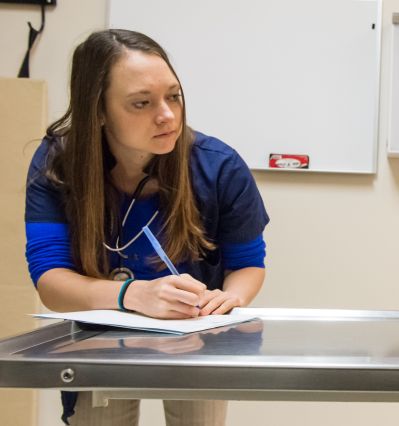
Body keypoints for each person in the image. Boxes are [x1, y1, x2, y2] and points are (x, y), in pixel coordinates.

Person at [24, 29, 269, 426]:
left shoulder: (218, 166)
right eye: (142, 103)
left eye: (174, 96)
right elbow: (51, 282)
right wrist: (131, 294)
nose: (167, 116)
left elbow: (248, 264)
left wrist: (230, 299)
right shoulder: (59, 163)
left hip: (198, 339)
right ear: (98, 110)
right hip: (97, 337)